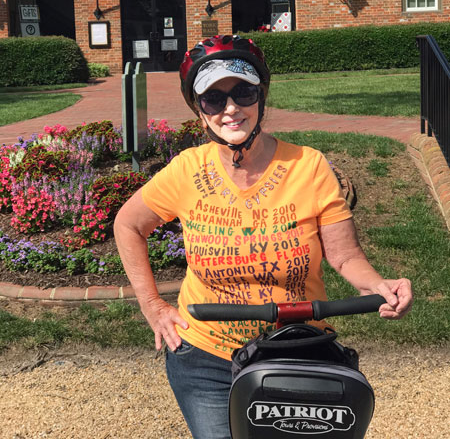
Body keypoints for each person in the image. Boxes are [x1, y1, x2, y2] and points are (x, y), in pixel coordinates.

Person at [114, 35, 413, 439]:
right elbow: (128, 224)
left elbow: (344, 256)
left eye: (243, 92)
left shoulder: (308, 167)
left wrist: (378, 284)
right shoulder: (186, 169)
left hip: (295, 349)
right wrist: (152, 305)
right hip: (205, 357)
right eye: (214, 99)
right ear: (199, 111)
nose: (231, 108)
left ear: (262, 97)